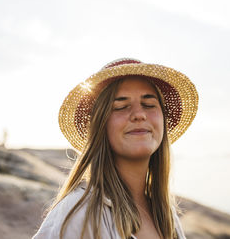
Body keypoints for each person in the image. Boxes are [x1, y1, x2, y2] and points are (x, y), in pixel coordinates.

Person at [33, 58, 198, 239]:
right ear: (100, 125)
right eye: (120, 106)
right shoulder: (80, 213)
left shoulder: (167, 217)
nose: (139, 115)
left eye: (149, 105)